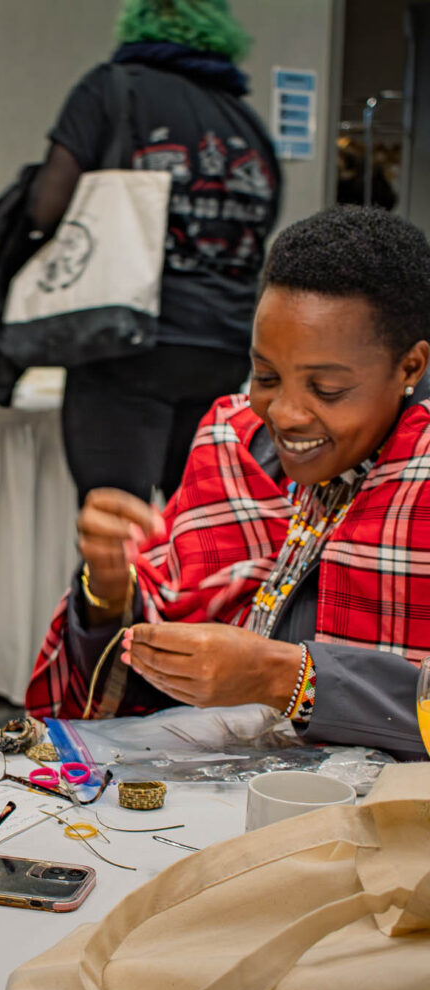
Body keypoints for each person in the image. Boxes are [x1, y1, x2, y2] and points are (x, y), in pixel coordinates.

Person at [26, 205, 430, 761]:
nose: (285, 413)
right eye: (266, 377)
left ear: (410, 368)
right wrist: (109, 595)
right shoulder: (238, 444)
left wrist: (288, 678)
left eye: (328, 389)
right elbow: (152, 688)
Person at [31, 0, 280, 503]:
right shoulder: (245, 119)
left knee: (116, 527)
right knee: (198, 529)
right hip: (226, 347)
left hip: (130, 340)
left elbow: (45, 207)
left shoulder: (113, 88)